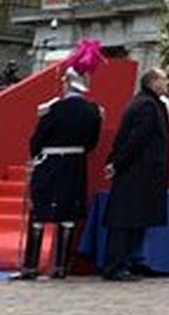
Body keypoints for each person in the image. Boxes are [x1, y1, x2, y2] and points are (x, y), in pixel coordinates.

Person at [19, 40, 105, 280]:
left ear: (67, 82)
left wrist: (36, 156)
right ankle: (61, 267)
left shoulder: (53, 109)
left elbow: (37, 140)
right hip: (76, 164)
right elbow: (92, 143)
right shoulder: (93, 111)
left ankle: (31, 266)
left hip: (51, 163)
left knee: (39, 212)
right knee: (68, 214)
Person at [102, 67, 169, 281]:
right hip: (137, 171)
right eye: (164, 79)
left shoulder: (146, 103)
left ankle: (125, 262)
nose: (167, 83)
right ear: (152, 82)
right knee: (125, 221)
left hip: (139, 171)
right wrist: (117, 163)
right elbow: (135, 139)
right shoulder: (146, 106)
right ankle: (116, 266)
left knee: (134, 220)